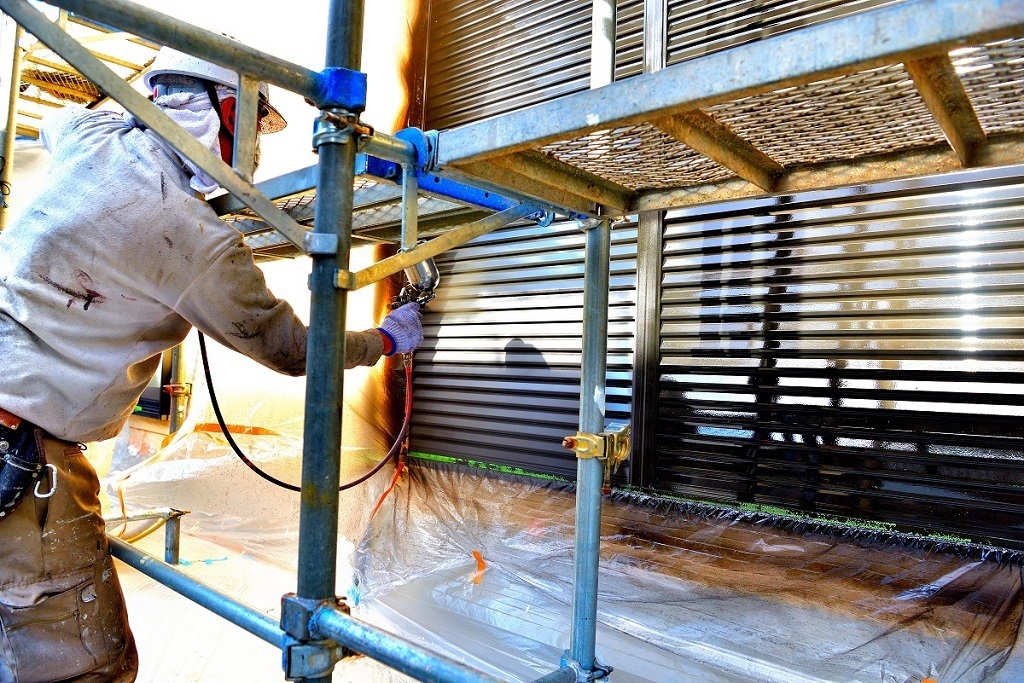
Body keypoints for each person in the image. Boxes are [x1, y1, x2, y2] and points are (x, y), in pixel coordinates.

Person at [0, 47, 422, 682]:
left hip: (16, 433)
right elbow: (289, 347)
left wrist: (116, 109)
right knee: (84, 666)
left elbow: (58, 122)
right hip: (26, 457)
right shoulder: (190, 233)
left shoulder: (92, 139)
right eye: (252, 131)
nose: (251, 155)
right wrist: (384, 340)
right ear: (227, 112)